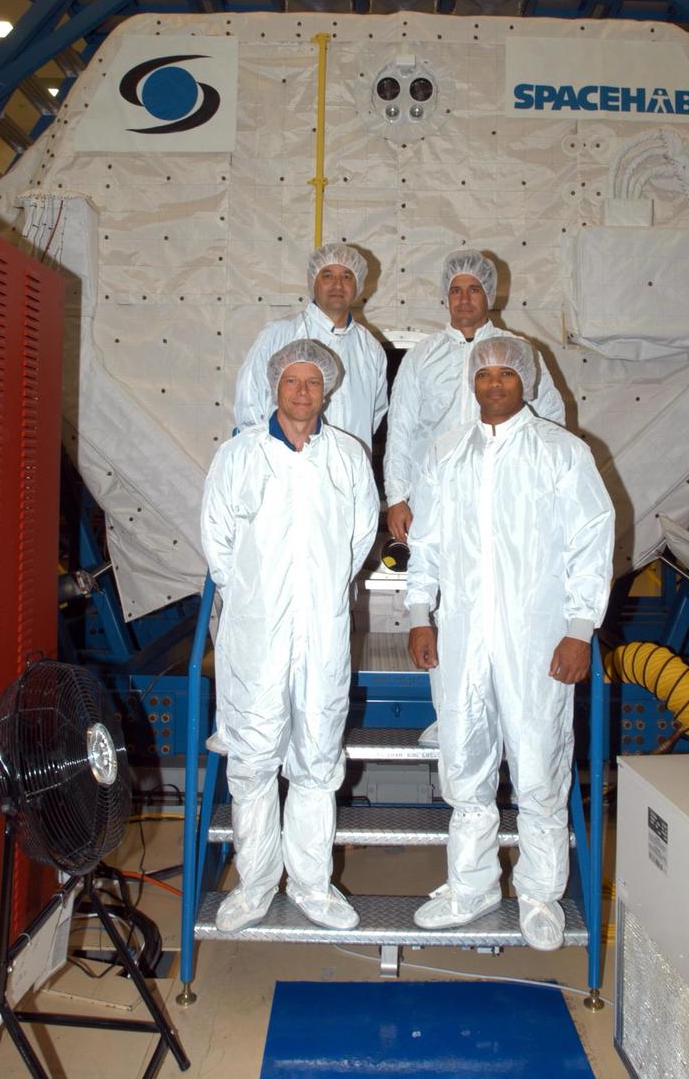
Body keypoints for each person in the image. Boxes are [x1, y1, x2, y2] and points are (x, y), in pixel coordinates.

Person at [405, 335, 614, 951]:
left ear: (526, 381)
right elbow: (429, 545)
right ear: (471, 383)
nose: (494, 384)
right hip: (465, 637)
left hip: (537, 639)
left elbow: (590, 543)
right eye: (484, 374)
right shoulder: (447, 453)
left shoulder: (560, 452)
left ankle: (541, 894)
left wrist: (579, 631)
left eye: (506, 374)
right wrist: (421, 612)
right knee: (465, 763)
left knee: (539, 761)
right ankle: (471, 888)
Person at [201, 338, 380, 933]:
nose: (301, 393)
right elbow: (218, 542)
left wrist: (318, 593)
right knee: (251, 761)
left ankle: (311, 885)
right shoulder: (239, 455)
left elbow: (359, 539)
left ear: (325, 390)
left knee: (316, 760)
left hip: (322, 637)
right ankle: (253, 885)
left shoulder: (348, 457)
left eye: (312, 383)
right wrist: (256, 600)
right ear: (274, 387)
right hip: (254, 637)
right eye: (290, 382)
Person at [384, 248, 565, 544]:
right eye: (456, 290)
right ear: (446, 296)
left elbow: (551, 421)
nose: (464, 300)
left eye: (473, 290)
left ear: (489, 295)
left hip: (507, 494)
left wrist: (544, 486)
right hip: (436, 496)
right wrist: (397, 497)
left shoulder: (519, 351)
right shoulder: (421, 356)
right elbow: (401, 428)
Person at [234, 243, 388, 452]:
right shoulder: (279, 334)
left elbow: (375, 413)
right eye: (327, 275)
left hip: (349, 472)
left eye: (346, 276)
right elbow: (249, 403)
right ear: (313, 282)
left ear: (358, 285)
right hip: (286, 470)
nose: (337, 285)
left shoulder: (370, 348)